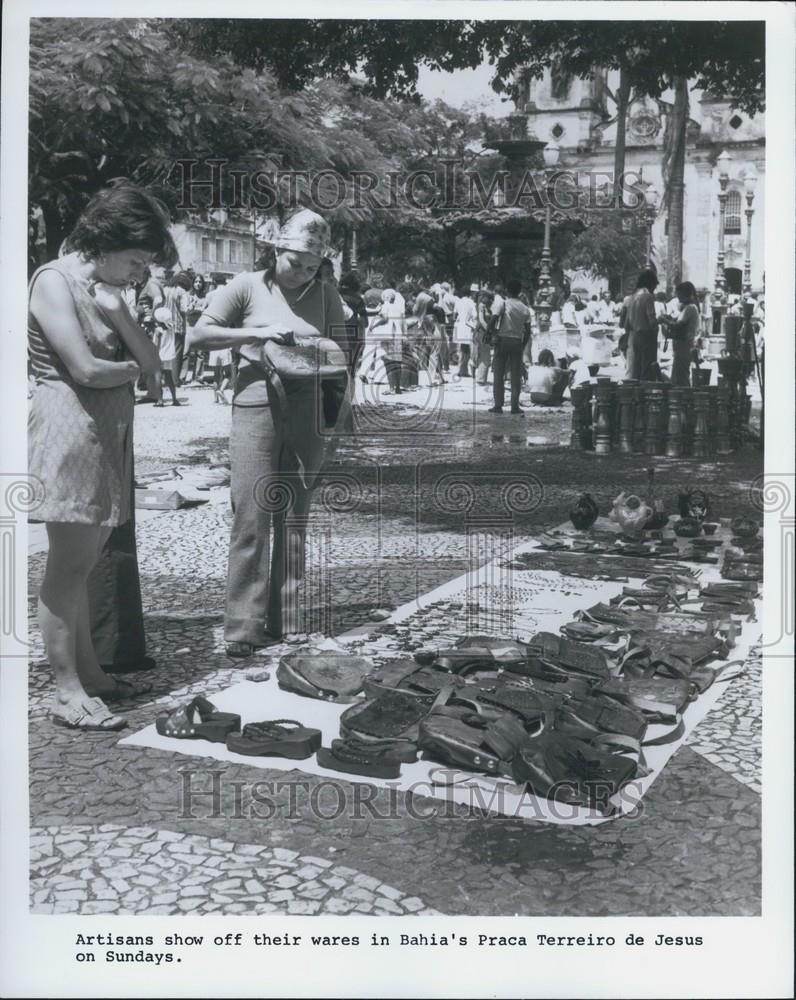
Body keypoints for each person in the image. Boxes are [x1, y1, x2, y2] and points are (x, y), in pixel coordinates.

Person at [28, 181, 175, 730]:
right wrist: (136, 371)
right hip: (68, 430)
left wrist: (120, 312)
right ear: (108, 241)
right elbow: (87, 369)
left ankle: (90, 677)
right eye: (136, 260)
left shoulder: (107, 290)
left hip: (103, 431)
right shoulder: (53, 280)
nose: (139, 272)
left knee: (84, 563)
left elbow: (152, 360)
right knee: (67, 567)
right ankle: (66, 691)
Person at [188, 209, 348, 657]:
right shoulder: (246, 286)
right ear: (277, 250)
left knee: (295, 515)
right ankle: (243, 626)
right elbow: (198, 336)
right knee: (251, 513)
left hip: (310, 406)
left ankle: (288, 617)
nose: (303, 272)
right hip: (256, 404)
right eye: (295, 262)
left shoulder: (327, 294)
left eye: (312, 265)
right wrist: (256, 332)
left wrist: (335, 424)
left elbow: (340, 360)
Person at [487, 278, 531, 415]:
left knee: (499, 374)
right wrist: (522, 344)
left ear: (507, 290)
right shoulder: (525, 308)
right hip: (517, 341)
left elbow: (493, 319)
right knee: (516, 376)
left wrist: (490, 332)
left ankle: (498, 405)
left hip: (503, 340)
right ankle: (514, 406)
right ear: (519, 292)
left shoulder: (503, 304)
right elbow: (528, 330)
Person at [658, 280, 700, 386]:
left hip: (684, 346)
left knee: (681, 378)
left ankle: (685, 398)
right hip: (681, 347)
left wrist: (664, 320)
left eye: (680, 295)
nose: (679, 298)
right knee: (678, 376)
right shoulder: (687, 308)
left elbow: (678, 325)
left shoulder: (690, 308)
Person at [624, 269, 659, 380]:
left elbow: (626, 324)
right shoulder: (648, 297)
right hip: (647, 335)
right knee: (648, 368)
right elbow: (652, 321)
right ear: (651, 284)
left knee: (637, 367)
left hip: (635, 336)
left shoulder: (632, 298)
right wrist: (662, 320)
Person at [337, 271, 367, 375]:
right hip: (352, 330)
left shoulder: (334, 293)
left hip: (334, 329)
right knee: (350, 363)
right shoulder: (357, 298)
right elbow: (364, 321)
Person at [184, 274, 209, 384]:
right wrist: (196, 309)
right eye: (196, 282)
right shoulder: (189, 296)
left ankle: (199, 377)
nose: (198, 284)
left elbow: (206, 311)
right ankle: (183, 377)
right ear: (192, 284)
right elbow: (187, 311)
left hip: (201, 326)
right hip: (189, 326)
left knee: (200, 353)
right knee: (186, 352)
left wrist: (196, 309)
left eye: (200, 282)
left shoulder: (205, 297)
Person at [153, 306, 180, 406]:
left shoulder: (158, 330)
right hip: (168, 355)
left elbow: (157, 344)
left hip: (159, 355)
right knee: (169, 377)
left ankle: (160, 400)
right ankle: (174, 399)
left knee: (158, 377)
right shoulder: (170, 328)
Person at [453, 284, 478, 377]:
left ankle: (461, 369)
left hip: (458, 326)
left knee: (461, 349)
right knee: (468, 349)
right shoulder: (471, 303)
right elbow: (474, 316)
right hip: (468, 327)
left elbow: (454, 316)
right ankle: (465, 370)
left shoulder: (458, 302)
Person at [473, 289, 494, 386]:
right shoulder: (481, 306)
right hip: (482, 332)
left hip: (485, 332)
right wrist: (488, 330)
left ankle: (481, 377)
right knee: (485, 355)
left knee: (485, 355)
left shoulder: (488, 307)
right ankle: (481, 378)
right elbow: (481, 320)